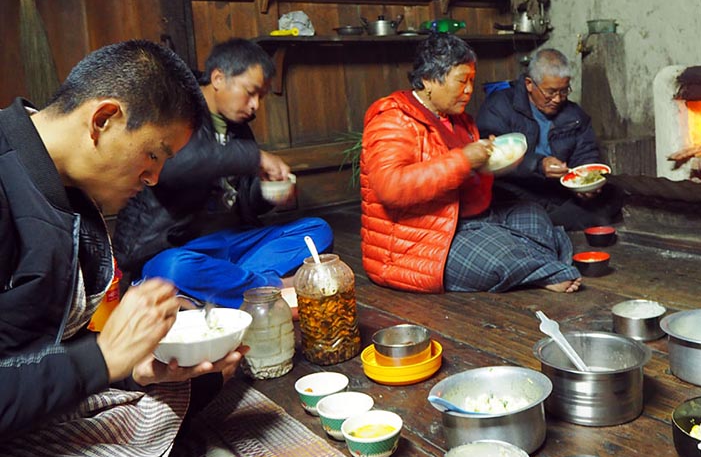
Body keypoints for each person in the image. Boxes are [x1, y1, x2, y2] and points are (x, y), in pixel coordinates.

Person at [0, 40, 247, 457]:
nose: (152, 178)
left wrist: (132, 367)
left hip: (31, 389)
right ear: (103, 120)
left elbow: (41, 338)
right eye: (153, 155)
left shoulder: (69, 186)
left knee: (200, 379)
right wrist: (100, 359)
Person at [113, 38, 333, 309]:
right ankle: (269, 289)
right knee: (171, 268)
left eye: (260, 98)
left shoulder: (239, 126)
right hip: (178, 248)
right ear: (218, 78)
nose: (255, 106)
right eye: (250, 93)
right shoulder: (175, 112)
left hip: (233, 244)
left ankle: (224, 288)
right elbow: (175, 167)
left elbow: (245, 200)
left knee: (316, 231)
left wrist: (269, 192)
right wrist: (254, 157)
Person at [360, 33, 582, 294]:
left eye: (471, 81)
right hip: (422, 240)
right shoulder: (393, 120)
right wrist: (464, 159)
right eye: (461, 81)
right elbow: (392, 188)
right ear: (429, 80)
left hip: (469, 220)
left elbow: (471, 180)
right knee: (498, 252)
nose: (468, 90)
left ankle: (531, 264)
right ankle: (542, 266)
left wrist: (493, 161)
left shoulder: (461, 121)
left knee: (533, 215)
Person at [477, 48, 625, 231]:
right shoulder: (499, 106)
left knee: (614, 193)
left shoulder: (575, 115)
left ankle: (545, 224)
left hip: (558, 190)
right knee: (506, 200)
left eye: (564, 91)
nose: (557, 99)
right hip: (516, 190)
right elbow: (491, 156)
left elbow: (586, 154)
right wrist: (538, 165)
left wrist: (587, 184)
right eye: (550, 92)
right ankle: (548, 222)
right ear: (529, 84)